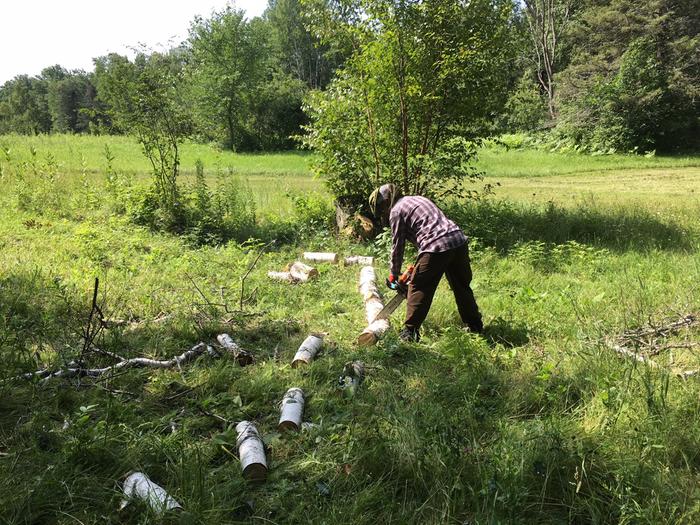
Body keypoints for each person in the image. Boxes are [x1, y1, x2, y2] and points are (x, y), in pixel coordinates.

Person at [368, 183, 483, 342]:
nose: (384, 214)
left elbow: (397, 246)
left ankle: (410, 332)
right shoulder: (418, 199)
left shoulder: (396, 211)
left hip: (436, 245)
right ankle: (475, 325)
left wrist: (394, 274)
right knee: (461, 286)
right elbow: (428, 232)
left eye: (382, 209)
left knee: (419, 286)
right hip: (458, 239)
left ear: (387, 202)